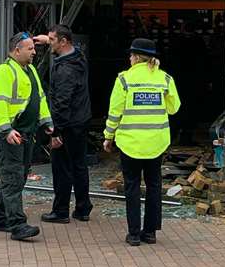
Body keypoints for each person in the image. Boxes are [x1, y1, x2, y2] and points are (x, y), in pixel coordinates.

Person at [103, 38, 181, 246]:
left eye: (130, 55)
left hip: (130, 143)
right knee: (154, 186)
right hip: (156, 143)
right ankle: (150, 233)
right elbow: (174, 108)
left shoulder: (124, 80)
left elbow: (115, 112)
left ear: (136, 57)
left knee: (132, 187)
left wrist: (108, 136)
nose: (129, 58)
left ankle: (134, 234)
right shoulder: (164, 79)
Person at [0, 32, 54, 241]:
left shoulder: (30, 70)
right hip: (11, 134)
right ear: (17, 50)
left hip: (25, 133)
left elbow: (39, 98)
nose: (34, 52)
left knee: (17, 177)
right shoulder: (4, 72)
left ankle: (0, 219)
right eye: (30, 48)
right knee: (13, 178)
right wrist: (6, 130)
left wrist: (47, 122)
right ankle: (18, 225)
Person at [41, 24, 93, 225]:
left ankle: (61, 210)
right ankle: (83, 208)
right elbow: (69, 46)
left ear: (63, 42)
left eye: (52, 40)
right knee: (80, 165)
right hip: (81, 120)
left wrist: (56, 132)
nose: (49, 43)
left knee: (61, 168)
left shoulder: (65, 71)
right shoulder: (79, 57)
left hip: (68, 124)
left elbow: (62, 104)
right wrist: (47, 39)